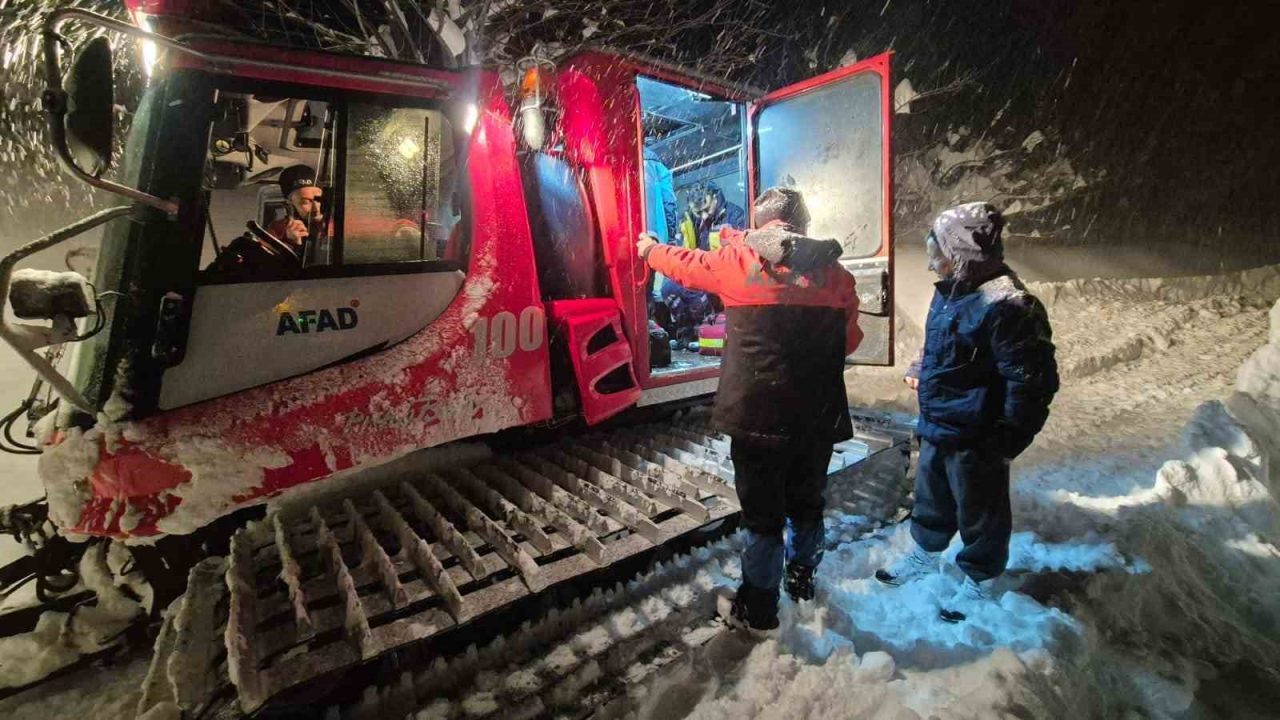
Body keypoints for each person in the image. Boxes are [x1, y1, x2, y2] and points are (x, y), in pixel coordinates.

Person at [637, 187, 862, 633]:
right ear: (803, 222)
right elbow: (850, 340)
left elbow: (686, 265)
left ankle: (758, 608)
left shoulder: (737, 262)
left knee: (762, 516)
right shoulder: (836, 274)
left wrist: (650, 251)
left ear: (760, 222)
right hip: (816, 416)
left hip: (758, 417)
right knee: (807, 503)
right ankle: (801, 577)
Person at [875, 202, 1058, 622]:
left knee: (982, 512)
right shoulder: (952, 291)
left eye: (936, 252)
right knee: (931, 500)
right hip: (939, 424)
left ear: (960, 252)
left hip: (978, 436)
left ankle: (980, 577)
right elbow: (939, 345)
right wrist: (920, 368)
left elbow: (1031, 382)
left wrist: (1006, 440)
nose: (930, 262)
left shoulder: (1009, 305)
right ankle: (925, 555)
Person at [267, 164, 325, 258]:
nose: (316, 208)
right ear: (290, 204)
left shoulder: (342, 222)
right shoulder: (277, 231)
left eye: (319, 199)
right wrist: (292, 244)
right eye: (305, 202)